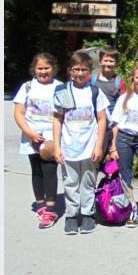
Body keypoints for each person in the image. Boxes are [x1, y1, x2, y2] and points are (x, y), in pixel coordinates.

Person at [52, 51, 109, 235]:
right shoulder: (62, 91)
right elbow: (57, 120)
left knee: (88, 181)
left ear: (90, 71)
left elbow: (101, 119)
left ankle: (88, 215)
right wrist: (57, 147)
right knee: (70, 182)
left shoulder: (94, 92)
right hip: (69, 147)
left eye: (83, 70)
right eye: (75, 69)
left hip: (90, 147)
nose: (79, 73)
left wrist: (99, 145)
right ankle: (71, 215)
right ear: (69, 71)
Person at [13, 52, 63, 228]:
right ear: (34, 69)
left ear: (53, 69)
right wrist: (30, 133)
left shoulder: (60, 87)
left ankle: (50, 210)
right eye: (40, 68)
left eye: (47, 68)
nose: (43, 71)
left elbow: (65, 113)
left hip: (51, 137)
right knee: (36, 171)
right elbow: (19, 113)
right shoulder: (27, 87)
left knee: (49, 170)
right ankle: (40, 205)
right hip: (31, 136)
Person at [108, 63, 138, 229]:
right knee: (126, 175)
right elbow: (116, 124)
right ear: (133, 77)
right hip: (124, 139)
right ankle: (130, 209)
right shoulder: (124, 97)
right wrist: (113, 146)